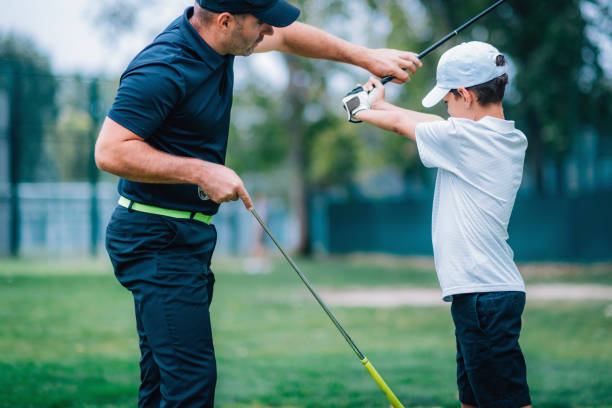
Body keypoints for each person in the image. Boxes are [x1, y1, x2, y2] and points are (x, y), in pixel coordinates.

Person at [94, 0, 422, 406]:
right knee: (190, 386)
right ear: (226, 21)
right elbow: (110, 152)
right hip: (156, 238)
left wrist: (365, 56)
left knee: (163, 384)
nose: (268, 31)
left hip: (184, 236)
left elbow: (286, 35)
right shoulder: (163, 68)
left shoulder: (219, 40)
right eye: (260, 23)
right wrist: (202, 172)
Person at [344, 41, 531, 408]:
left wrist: (358, 110)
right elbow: (432, 125)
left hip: (483, 295)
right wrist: (378, 104)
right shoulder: (505, 137)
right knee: (474, 400)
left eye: (447, 100)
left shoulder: (465, 139)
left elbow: (404, 125)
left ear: (464, 94)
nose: (445, 108)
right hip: (481, 295)